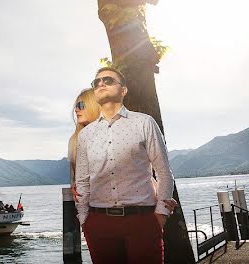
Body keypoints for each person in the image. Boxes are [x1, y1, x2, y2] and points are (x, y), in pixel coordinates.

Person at [75, 67, 175, 264]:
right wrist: (84, 219)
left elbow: (163, 172)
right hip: (99, 223)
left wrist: (160, 215)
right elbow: (82, 180)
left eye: (108, 80)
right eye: (97, 82)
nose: (101, 84)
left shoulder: (144, 123)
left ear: (124, 90)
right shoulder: (86, 135)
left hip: (141, 221)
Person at [69, 88, 101, 195]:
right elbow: (75, 178)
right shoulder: (74, 140)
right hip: (87, 203)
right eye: (76, 107)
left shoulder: (114, 135)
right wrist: (73, 185)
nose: (76, 110)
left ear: (94, 105)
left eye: (81, 105)